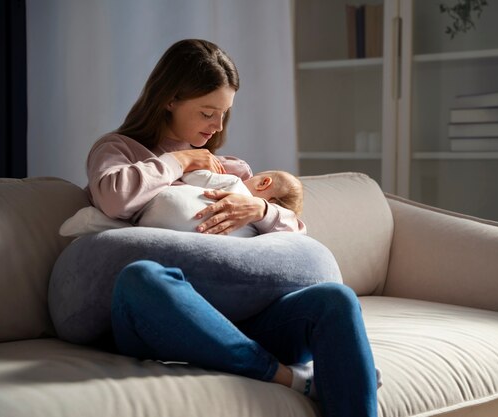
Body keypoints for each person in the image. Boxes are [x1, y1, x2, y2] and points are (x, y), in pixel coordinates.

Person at [86, 39, 379, 417]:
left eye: (224, 114)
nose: (218, 126)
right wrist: (178, 161)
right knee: (140, 278)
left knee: (334, 300)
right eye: (208, 112)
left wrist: (258, 209)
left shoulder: (229, 169)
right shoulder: (118, 150)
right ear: (170, 99)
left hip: (243, 315)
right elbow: (114, 199)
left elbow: (296, 242)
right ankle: (284, 377)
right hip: (167, 317)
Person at [136, 169, 303, 237]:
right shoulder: (255, 233)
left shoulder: (235, 182)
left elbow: (192, 176)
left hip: (151, 217)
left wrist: (195, 166)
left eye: (253, 178)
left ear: (263, 183)